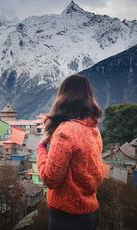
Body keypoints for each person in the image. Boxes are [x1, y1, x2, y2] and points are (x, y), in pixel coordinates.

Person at [36, 75, 103, 230]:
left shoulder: (65, 131)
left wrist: (40, 149)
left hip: (67, 218)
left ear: (63, 96)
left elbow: (50, 179)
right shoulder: (93, 128)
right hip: (91, 212)